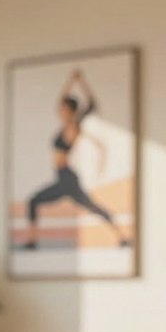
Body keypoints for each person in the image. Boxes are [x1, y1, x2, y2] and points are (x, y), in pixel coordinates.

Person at [22, 69, 129, 249]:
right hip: (62, 177)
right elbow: (61, 100)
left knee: (90, 207)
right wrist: (71, 81)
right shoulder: (64, 127)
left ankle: (122, 237)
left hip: (67, 178)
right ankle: (32, 240)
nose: (60, 111)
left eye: (64, 109)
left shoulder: (73, 126)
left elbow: (91, 104)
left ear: (71, 111)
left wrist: (82, 83)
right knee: (35, 201)